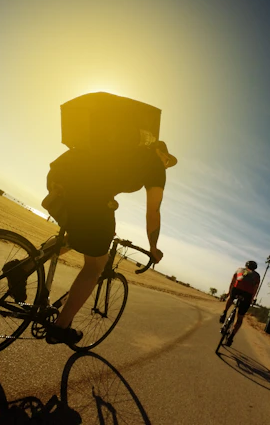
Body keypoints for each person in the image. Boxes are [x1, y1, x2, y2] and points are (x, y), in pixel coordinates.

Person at [41, 140, 178, 345]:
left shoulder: (126, 147)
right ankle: (59, 329)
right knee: (95, 266)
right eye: (167, 160)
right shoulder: (155, 163)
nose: (166, 165)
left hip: (60, 176)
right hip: (89, 193)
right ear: (160, 153)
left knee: (81, 233)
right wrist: (153, 247)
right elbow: (153, 211)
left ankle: (21, 266)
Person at [219, 261, 261, 346]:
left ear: (246, 265)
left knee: (231, 297)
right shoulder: (257, 275)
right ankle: (231, 337)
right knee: (240, 318)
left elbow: (233, 282)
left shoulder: (240, 269)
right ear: (255, 268)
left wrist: (229, 292)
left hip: (236, 289)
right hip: (247, 294)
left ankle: (224, 312)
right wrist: (251, 299)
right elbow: (255, 288)